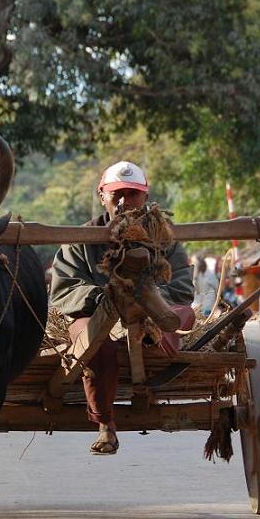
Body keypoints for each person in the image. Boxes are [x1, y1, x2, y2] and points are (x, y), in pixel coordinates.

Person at [49, 161, 195, 455]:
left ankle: (150, 334)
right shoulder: (79, 240)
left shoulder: (165, 241)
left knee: (183, 317)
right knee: (95, 342)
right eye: (116, 193)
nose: (124, 201)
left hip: (152, 318)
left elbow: (182, 288)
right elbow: (65, 290)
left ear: (145, 197)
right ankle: (106, 425)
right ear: (101, 195)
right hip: (97, 317)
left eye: (132, 193)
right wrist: (109, 299)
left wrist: (148, 301)